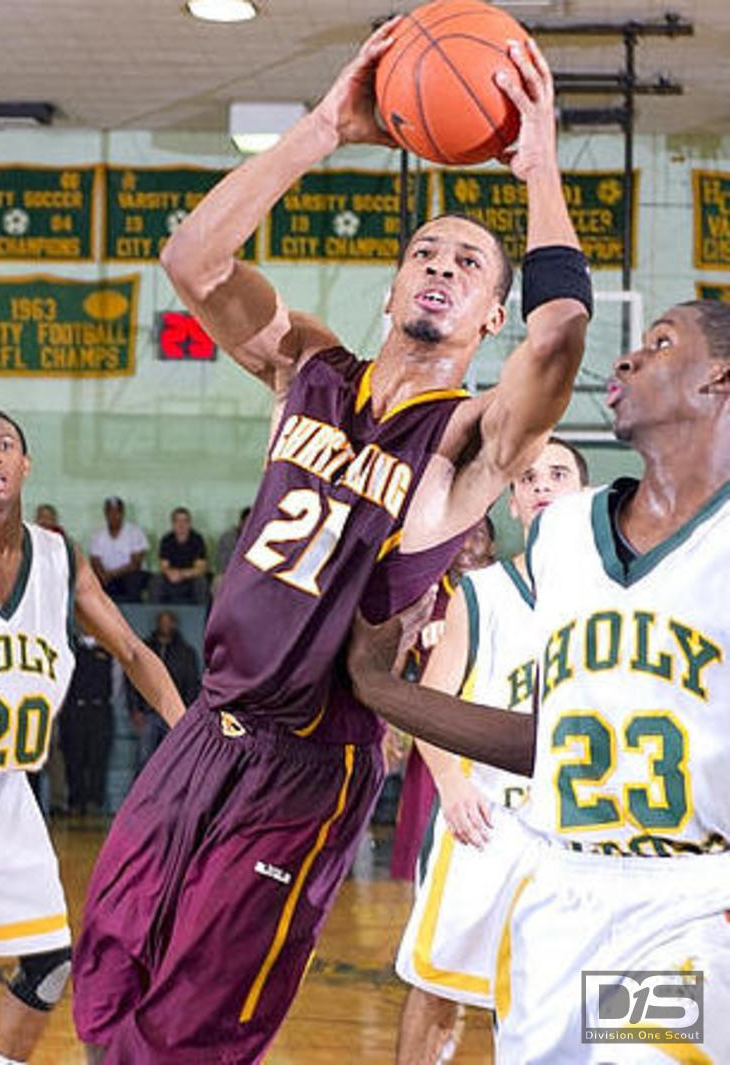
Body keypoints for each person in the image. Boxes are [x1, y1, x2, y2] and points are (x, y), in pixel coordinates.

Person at [72, 22, 591, 1064]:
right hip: (204, 733)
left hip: (305, 764)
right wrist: (321, 129)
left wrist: (537, 166)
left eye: (468, 266)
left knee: (193, 1028)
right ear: (390, 290)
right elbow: (192, 259)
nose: (440, 271)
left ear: (490, 313)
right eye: (423, 256)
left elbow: (560, 337)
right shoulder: (305, 368)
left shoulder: (464, 442)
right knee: (110, 983)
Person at [349, 301, 730, 1062]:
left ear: (719, 379)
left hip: (685, 898)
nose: (625, 360)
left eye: (660, 344)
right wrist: (380, 687)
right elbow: (552, 740)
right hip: (555, 890)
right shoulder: (564, 534)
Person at [0, 406, 186, 1065]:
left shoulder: (59, 558)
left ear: (25, 463)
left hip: (8, 789)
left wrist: (187, 731)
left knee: (49, 963)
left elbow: (131, 649)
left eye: (5, 444)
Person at [395, 438, 588, 1065]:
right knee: (437, 986)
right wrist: (451, 786)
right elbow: (431, 701)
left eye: (558, 474)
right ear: (511, 501)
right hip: (487, 822)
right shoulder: (481, 594)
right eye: (528, 477)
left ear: (584, 496)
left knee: (561, 1002)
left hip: (579, 834)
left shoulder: (617, 594)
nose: (542, 485)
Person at [389, 515, 496, 883]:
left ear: (492, 546)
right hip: (436, 735)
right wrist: (388, 726)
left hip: (494, 735)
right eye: (460, 538)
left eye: (478, 537)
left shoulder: (509, 591)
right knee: (428, 846)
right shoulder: (427, 595)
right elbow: (395, 663)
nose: (467, 547)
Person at [129, 609, 201, 771]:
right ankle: (143, 794)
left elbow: (192, 684)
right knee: (144, 760)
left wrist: (187, 712)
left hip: (175, 712)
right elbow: (133, 679)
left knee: (175, 759)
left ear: (174, 624)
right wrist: (135, 709)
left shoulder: (186, 652)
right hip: (148, 712)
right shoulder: (145, 648)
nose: (165, 625)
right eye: (162, 621)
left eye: (168, 621)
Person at [59, 631, 114, 816]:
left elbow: (117, 681)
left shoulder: (108, 647)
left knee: (98, 758)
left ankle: (94, 802)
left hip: (100, 709)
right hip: (74, 708)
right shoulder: (68, 647)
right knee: (74, 758)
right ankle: (75, 801)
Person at [89, 497, 149, 602]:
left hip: (129, 575)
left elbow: (136, 563)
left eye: (117, 512)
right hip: (107, 576)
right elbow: (95, 560)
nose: (114, 516)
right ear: (105, 514)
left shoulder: (135, 532)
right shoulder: (98, 535)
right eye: (110, 512)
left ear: (122, 513)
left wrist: (111, 575)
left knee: (133, 580)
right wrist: (103, 575)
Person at [150, 506, 210, 605]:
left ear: (189, 523)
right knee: (156, 581)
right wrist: (171, 574)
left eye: (185, 521)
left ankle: (202, 617)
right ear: (173, 524)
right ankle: (156, 615)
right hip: (171, 578)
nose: (181, 525)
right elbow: (163, 566)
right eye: (177, 521)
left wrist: (181, 574)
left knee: (201, 582)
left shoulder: (197, 539)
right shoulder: (167, 540)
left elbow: (200, 569)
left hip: (190, 578)